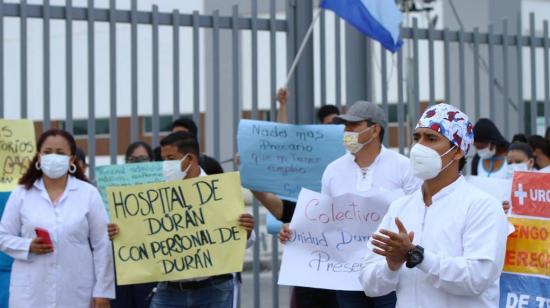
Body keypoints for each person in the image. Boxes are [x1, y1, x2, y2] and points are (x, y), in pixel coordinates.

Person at [359, 103, 508, 307]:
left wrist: (416, 255)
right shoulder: (400, 208)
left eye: (431, 138)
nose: (419, 147)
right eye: (416, 138)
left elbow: (478, 278)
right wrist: (391, 265)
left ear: (457, 152)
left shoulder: (481, 206)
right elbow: (369, 284)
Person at [280, 101, 421, 308]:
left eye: (354, 126)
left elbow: (416, 215)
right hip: (346, 277)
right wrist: (295, 231)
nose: (347, 132)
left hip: (390, 273)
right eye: (346, 127)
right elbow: (322, 219)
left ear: (375, 130)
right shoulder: (333, 171)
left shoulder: (403, 168)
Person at [110, 131, 254, 308]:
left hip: (214, 290)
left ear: (190, 159)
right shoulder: (156, 194)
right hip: (170, 290)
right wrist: (120, 232)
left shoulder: (220, 191)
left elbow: (246, 240)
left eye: (170, 158)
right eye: (163, 159)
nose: (165, 165)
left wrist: (246, 230)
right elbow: (142, 234)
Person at [0, 129, 114, 308]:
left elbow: (102, 244)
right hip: (30, 294)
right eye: (47, 152)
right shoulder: (22, 193)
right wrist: (28, 246)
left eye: (60, 153)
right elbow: (3, 236)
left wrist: (102, 292)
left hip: (77, 292)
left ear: (71, 159)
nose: (53, 157)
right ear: (38, 157)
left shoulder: (88, 193)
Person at [110, 141, 157, 308]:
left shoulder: (161, 190)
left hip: (152, 264)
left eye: (143, 159)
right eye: (133, 159)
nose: (138, 164)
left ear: (152, 162)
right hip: (122, 264)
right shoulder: (113, 188)